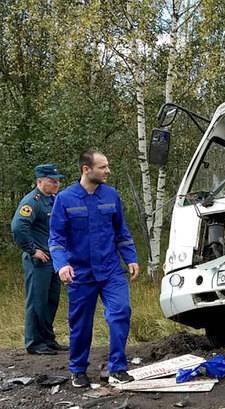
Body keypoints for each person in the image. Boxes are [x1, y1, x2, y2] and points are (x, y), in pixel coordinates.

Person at [49, 149, 140, 388]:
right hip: (81, 273)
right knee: (80, 324)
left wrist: (131, 258)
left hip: (110, 270)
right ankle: (78, 370)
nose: (108, 171)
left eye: (108, 166)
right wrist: (62, 265)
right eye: (103, 167)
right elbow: (56, 239)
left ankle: (118, 368)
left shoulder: (111, 196)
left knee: (120, 312)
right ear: (86, 169)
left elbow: (122, 232)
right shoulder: (65, 199)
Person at [11, 164, 68, 355]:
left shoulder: (51, 200)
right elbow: (19, 227)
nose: (57, 184)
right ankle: (34, 342)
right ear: (40, 181)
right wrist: (32, 250)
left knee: (51, 300)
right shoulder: (32, 202)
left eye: (58, 180)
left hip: (53, 259)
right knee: (37, 301)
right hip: (38, 260)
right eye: (53, 181)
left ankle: (47, 339)